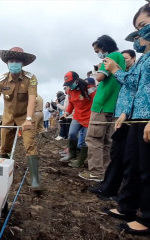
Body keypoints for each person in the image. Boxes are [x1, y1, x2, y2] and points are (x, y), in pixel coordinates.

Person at [100, 6, 150, 234]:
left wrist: (116, 69)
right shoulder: (144, 59)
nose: (140, 35)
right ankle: (127, 206)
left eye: (142, 27)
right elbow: (135, 86)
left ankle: (148, 219)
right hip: (137, 117)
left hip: (148, 117)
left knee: (147, 169)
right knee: (132, 163)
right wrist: (125, 113)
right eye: (138, 30)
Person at [0, 47, 42, 191]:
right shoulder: (1, 80)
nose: (14, 63)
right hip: (8, 117)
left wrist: (29, 119)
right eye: (11, 61)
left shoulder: (31, 78)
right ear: (7, 63)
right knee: (4, 146)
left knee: (30, 144)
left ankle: (35, 179)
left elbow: (32, 99)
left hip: (25, 116)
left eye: (17, 61)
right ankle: (2, 171)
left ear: (23, 64)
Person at [89, 49, 136, 200]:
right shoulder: (129, 69)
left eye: (126, 58)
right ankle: (109, 185)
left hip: (125, 113)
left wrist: (112, 69)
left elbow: (101, 78)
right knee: (115, 148)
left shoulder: (116, 64)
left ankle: (101, 177)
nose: (123, 60)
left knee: (103, 143)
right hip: (121, 112)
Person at [79, 35, 126, 182]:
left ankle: (96, 172)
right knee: (107, 141)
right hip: (114, 105)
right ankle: (106, 171)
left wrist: (98, 70)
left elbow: (100, 78)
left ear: (104, 47)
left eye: (97, 50)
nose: (98, 54)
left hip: (102, 104)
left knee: (93, 139)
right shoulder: (121, 58)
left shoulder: (110, 56)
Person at [59, 72, 96, 168]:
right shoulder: (71, 90)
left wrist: (95, 116)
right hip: (77, 116)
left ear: (77, 80)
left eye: (71, 83)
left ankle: (81, 160)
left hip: (89, 117)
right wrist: (66, 113)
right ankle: (72, 153)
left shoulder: (89, 88)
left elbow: (96, 101)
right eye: (68, 84)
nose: (69, 86)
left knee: (85, 140)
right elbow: (71, 104)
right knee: (71, 134)